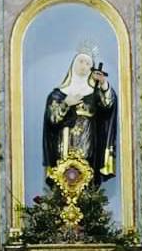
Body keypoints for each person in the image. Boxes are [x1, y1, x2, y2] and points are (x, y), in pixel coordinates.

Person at [42, 48, 117, 185]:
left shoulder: (95, 93)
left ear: (91, 69)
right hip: (63, 146)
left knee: (87, 181)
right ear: (73, 64)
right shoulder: (58, 94)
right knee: (63, 182)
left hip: (89, 145)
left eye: (88, 63)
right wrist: (66, 103)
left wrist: (103, 84)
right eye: (81, 61)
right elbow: (52, 120)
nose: (84, 65)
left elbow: (108, 106)